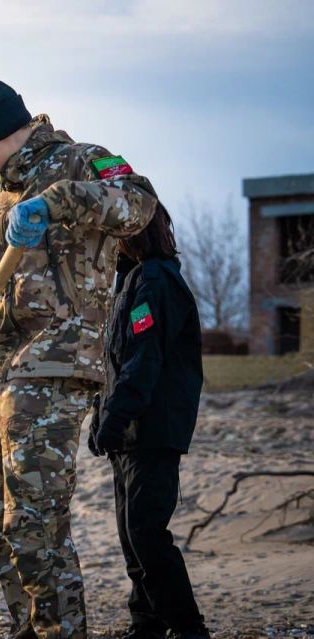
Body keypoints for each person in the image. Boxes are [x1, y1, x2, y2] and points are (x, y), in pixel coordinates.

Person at [0, 77, 161, 639]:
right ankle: (29, 628)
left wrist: (57, 202)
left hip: (54, 370)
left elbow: (140, 205)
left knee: (35, 527)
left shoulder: (84, 161)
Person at [89, 207, 210, 639]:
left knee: (146, 532)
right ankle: (147, 624)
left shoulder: (156, 281)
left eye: (117, 231)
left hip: (153, 430)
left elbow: (144, 360)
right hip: (128, 433)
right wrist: (102, 417)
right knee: (131, 533)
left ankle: (189, 628)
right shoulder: (131, 281)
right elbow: (113, 363)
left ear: (136, 231)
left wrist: (115, 416)